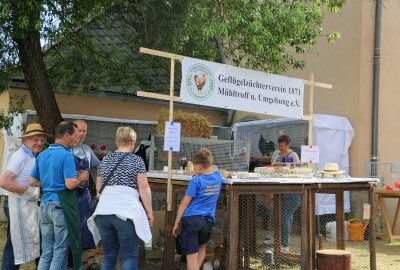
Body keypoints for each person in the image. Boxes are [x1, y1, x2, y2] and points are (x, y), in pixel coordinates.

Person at [87, 126, 153, 270]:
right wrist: (149, 212)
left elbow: (99, 189)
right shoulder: (137, 161)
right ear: (132, 141)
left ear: (117, 141)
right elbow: (144, 187)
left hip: (103, 212)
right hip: (125, 211)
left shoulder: (105, 160)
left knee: (109, 255)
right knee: (129, 256)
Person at [29, 121, 89, 270]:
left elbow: (32, 181)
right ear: (66, 136)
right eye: (74, 136)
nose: (76, 139)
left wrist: (50, 184)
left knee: (46, 250)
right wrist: (81, 179)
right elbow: (69, 184)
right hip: (60, 206)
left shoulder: (42, 154)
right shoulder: (66, 155)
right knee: (60, 250)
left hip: (44, 205)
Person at [0, 123, 47, 269]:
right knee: (16, 242)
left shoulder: (30, 155)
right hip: (17, 203)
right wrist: (26, 190)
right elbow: (4, 181)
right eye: (35, 140)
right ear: (26, 140)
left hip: (25, 204)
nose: (39, 143)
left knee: (17, 242)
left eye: (41, 140)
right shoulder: (20, 156)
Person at [172, 148, 222, 270]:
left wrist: (176, 223)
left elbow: (184, 203)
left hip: (191, 220)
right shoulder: (218, 177)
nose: (193, 169)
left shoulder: (196, 181)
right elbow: (222, 172)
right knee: (202, 247)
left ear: (200, 167)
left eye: (194, 167)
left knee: (191, 255)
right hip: (207, 222)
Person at [71, 120, 100, 270]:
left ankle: (89, 261)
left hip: (84, 196)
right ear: (72, 130)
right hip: (69, 194)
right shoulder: (65, 149)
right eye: (80, 131)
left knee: (87, 227)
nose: (82, 134)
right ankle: (70, 262)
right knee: (71, 228)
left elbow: (99, 166)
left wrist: (99, 187)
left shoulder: (87, 150)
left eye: (85, 131)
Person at [266, 134, 301, 252]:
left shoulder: (294, 156)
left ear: (288, 145)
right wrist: (270, 191)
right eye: (279, 146)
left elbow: (298, 172)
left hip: (291, 191)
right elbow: (271, 170)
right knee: (279, 214)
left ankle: (284, 245)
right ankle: (278, 238)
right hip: (277, 190)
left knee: (284, 216)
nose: (280, 148)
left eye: (282, 146)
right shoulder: (276, 154)